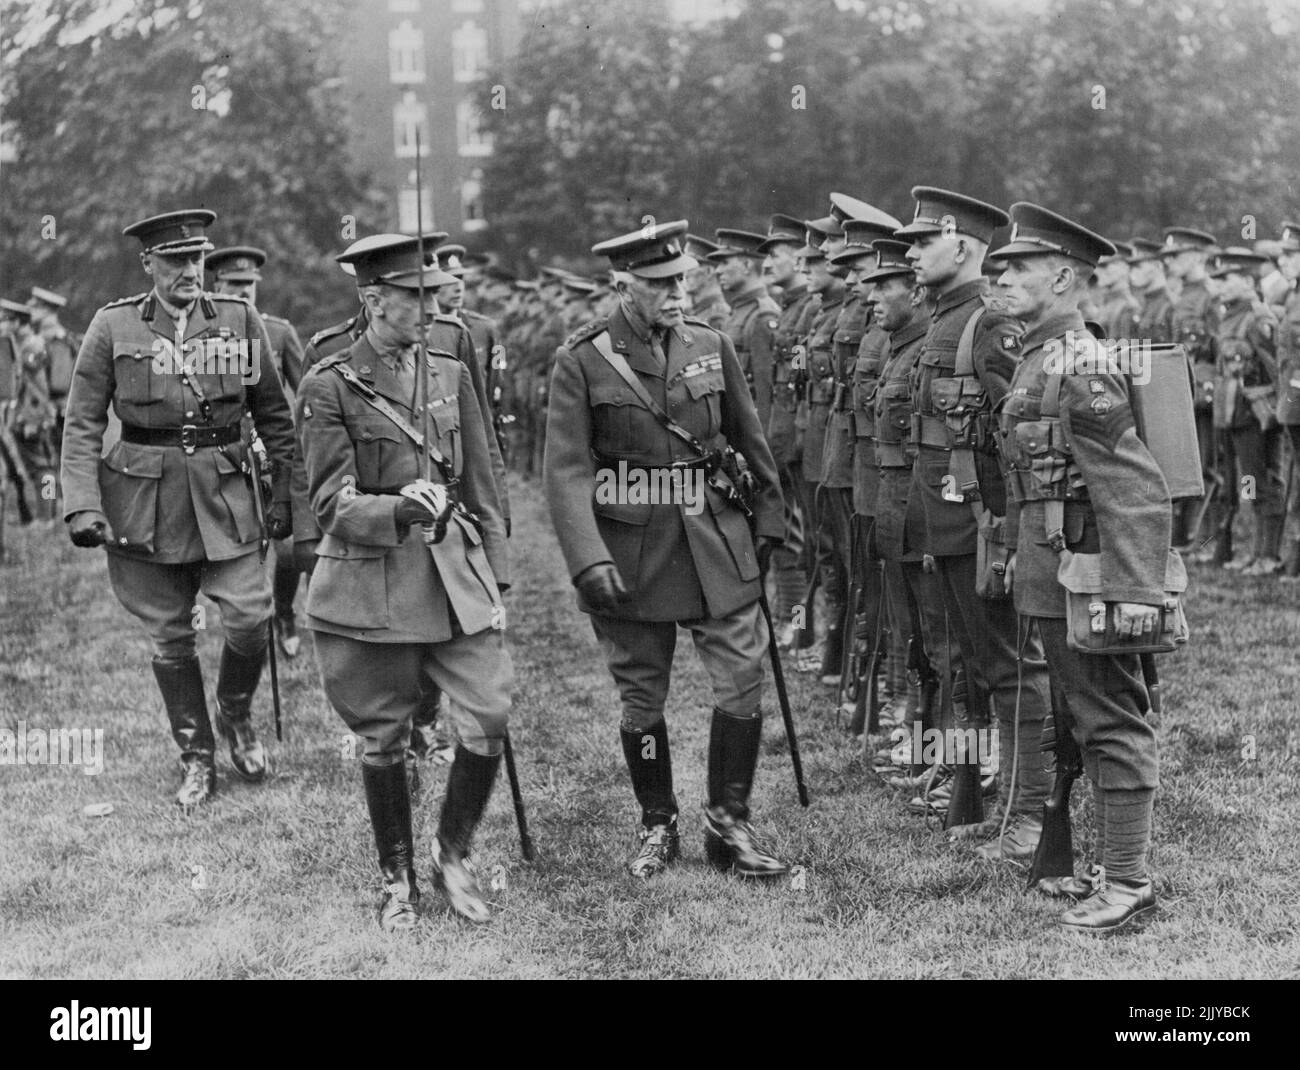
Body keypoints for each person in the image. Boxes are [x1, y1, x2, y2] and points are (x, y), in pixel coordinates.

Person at [543, 220, 788, 880]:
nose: (677, 293)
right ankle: (658, 823)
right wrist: (588, 558)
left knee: (741, 675)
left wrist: (770, 511)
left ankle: (728, 824)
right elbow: (565, 469)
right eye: (658, 285)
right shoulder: (584, 359)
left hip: (714, 539)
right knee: (641, 696)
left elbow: (748, 431)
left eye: (680, 280)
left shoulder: (711, 345)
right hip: (633, 549)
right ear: (623, 286)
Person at [297, 234, 511, 928]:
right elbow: (330, 502)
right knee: (384, 736)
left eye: (431, 293)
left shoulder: (449, 367)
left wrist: (496, 577)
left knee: (489, 714)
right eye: (414, 297)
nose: (431, 305)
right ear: (374, 300)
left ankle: (453, 855)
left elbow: (481, 474)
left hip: (454, 577)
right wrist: (396, 508)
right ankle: (395, 878)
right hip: (375, 584)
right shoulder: (329, 384)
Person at [60, 209, 295, 807]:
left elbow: (273, 413)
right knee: (171, 635)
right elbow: (83, 422)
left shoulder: (239, 321)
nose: (189, 271)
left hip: (226, 497)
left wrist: (286, 496)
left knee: (249, 617)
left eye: (195, 258)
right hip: (147, 502)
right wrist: (82, 505)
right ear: (149, 265)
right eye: (174, 261)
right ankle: (196, 756)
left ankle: (235, 713)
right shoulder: (113, 327)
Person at [993, 203, 1174, 932]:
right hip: (1051, 574)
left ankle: (1128, 881)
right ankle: (1096, 866)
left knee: (1111, 719)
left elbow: (1134, 488)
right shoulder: (1038, 357)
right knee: (1075, 718)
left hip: (1088, 577)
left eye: (1017, 268)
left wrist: (1134, 592)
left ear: (1063, 276)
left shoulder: (1082, 363)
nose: (999, 279)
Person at [898, 187, 1052, 854]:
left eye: (920, 241)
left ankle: (1031, 816)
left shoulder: (986, 325)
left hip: (982, 524)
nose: (909, 253)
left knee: (1012, 667)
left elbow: (1021, 433)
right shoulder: (943, 320)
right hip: (947, 524)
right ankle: (989, 798)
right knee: (973, 668)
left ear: (960, 245)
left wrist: (1011, 533)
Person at [207, 245, 307, 657]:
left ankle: (283, 611)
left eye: (249, 285)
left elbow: (304, 395)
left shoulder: (278, 332)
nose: (244, 292)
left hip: (270, 455)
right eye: (234, 285)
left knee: (286, 547)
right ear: (217, 287)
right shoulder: (206, 336)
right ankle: (247, 619)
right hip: (227, 457)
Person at [1209, 248, 1283, 575]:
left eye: (1228, 278)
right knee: (1247, 483)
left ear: (1248, 280)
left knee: (1261, 481)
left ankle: (1268, 555)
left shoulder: (1257, 317)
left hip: (1254, 414)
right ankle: (1254, 553)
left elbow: (1275, 365)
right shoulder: (1231, 315)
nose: (1221, 285)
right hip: (1233, 412)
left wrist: (1270, 403)